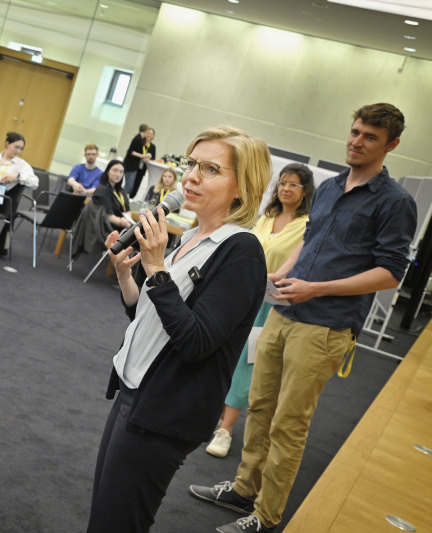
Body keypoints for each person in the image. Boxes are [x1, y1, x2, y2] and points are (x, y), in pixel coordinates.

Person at [189, 103, 417, 533]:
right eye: (355, 131)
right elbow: (309, 241)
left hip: (326, 325)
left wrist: (317, 288)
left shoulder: (395, 202)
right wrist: (283, 273)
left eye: (370, 137)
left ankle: (266, 515)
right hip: (283, 309)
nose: (357, 141)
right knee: (259, 406)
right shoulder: (329, 187)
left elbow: (391, 273)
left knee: (288, 423)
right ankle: (243, 490)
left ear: (392, 145)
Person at [86, 125, 271, 533]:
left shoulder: (241, 252)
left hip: (164, 409)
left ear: (242, 188)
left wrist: (156, 267)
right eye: (191, 164)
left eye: (210, 169)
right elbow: (149, 317)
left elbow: (195, 342)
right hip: (134, 390)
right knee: (104, 515)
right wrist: (127, 276)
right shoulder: (189, 236)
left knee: (117, 524)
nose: (190, 176)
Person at [204, 163, 315, 459]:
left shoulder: (307, 226)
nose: (286, 188)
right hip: (240, 295)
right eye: (283, 183)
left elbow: (293, 267)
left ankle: (226, 429)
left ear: (305, 191)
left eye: (293, 184)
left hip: (270, 305)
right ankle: (211, 414)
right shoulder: (265, 217)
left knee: (247, 362)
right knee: (221, 353)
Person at [0, 132, 38, 256]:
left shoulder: (22, 165)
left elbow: (35, 183)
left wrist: (18, 175)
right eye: (16, 147)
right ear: (7, 144)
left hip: (3, 200)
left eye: (21, 149)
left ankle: (3, 246)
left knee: (11, 210)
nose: (18, 151)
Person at [91, 159, 132, 231]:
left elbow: (127, 210)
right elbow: (109, 217)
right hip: (105, 228)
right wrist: (129, 225)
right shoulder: (102, 190)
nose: (118, 174)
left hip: (121, 226)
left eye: (121, 172)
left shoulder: (121, 191)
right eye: (115, 170)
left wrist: (127, 220)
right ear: (108, 171)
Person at [123, 125, 155, 198]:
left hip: (141, 169)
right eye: (148, 133)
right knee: (129, 186)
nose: (149, 135)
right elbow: (130, 151)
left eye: (151, 134)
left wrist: (148, 159)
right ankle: (122, 198)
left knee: (134, 187)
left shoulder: (152, 146)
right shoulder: (139, 140)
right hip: (133, 166)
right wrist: (142, 156)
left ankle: (127, 198)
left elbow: (153, 158)